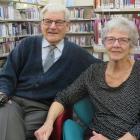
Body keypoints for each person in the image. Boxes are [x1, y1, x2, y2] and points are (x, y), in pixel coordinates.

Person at [0, 3, 100, 140]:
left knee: (13, 130)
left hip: (41, 109)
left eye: (59, 22)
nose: (52, 26)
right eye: (48, 21)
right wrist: (3, 93)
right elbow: (7, 74)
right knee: (5, 115)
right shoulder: (26, 45)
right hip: (13, 101)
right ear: (41, 24)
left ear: (68, 26)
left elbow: (102, 69)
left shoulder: (78, 55)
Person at [35, 17, 140, 140]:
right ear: (104, 42)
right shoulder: (94, 72)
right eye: (110, 39)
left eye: (123, 40)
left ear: (131, 44)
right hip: (94, 136)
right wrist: (48, 123)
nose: (116, 44)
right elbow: (64, 97)